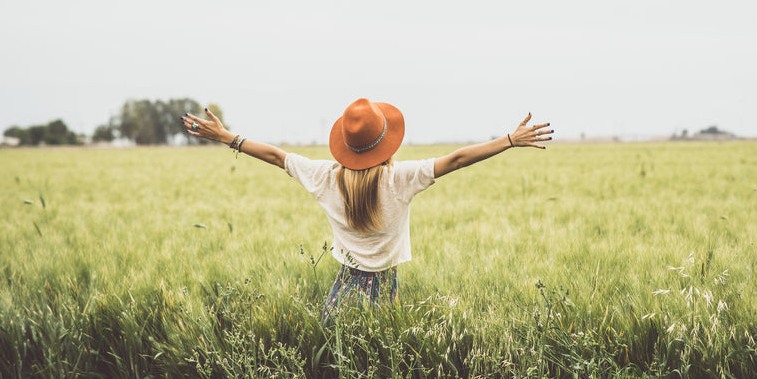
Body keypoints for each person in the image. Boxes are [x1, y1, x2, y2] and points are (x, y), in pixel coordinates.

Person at [181, 98, 552, 320]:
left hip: (342, 291)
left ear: (345, 143)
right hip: (385, 289)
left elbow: (276, 156)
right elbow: (455, 160)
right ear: (386, 144)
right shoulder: (400, 179)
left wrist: (226, 136)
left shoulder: (324, 177)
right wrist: (509, 140)